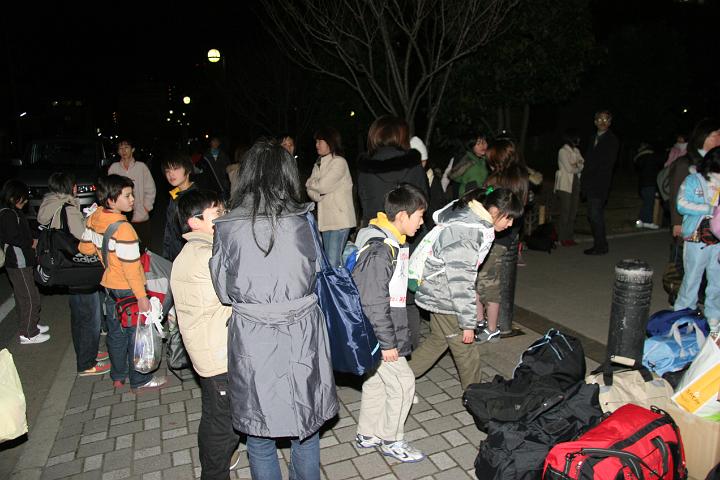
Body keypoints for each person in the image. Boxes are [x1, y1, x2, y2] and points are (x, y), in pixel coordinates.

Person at [209, 139, 338, 479]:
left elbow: (223, 291)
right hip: (302, 333)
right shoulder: (304, 221)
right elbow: (317, 272)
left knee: (258, 432)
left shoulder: (227, 226)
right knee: (305, 427)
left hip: (253, 337)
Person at [408, 187, 523, 390]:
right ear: (495, 211)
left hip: (439, 291)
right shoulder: (468, 233)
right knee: (466, 351)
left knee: (438, 341)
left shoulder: (472, 222)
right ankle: (475, 395)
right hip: (446, 297)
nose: (511, 224)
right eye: (509, 218)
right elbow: (461, 282)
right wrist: (468, 323)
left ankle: (399, 379)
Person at [352, 184, 427, 463]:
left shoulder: (389, 241)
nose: (421, 223)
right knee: (404, 383)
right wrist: (387, 343)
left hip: (376, 330)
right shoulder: (381, 249)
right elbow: (373, 301)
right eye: (419, 216)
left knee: (376, 382)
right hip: (379, 333)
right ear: (403, 216)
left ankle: (368, 434)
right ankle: (391, 440)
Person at [170, 189, 239, 479]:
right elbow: (237, 293)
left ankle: (218, 461)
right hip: (217, 354)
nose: (224, 216)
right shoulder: (206, 255)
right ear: (194, 221)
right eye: (217, 213)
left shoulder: (192, 251)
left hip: (208, 348)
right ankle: (214, 472)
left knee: (216, 415)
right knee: (221, 423)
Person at [79, 175, 167, 392]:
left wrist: (103, 250)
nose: (132, 200)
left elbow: (84, 248)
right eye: (127, 196)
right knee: (136, 335)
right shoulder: (124, 229)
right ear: (111, 200)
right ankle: (140, 380)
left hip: (109, 287)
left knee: (115, 334)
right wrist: (142, 297)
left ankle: (118, 376)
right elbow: (132, 269)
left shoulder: (95, 217)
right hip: (128, 290)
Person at [37, 172, 108, 374]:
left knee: (78, 315)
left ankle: (86, 353)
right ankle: (87, 363)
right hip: (79, 268)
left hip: (65, 268)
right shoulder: (68, 208)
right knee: (90, 317)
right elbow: (83, 237)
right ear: (71, 187)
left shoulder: (48, 205)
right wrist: (91, 219)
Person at [475, 139, 529, 344]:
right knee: (484, 282)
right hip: (507, 236)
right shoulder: (520, 176)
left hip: (496, 236)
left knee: (486, 283)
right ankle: (484, 324)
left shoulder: (499, 180)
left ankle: (489, 327)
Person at [673, 146, 720, 335]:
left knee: (717, 279)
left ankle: (714, 317)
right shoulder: (694, 180)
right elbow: (681, 204)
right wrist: (710, 209)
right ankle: (683, 315)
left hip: (718, 239)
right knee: (692, 277)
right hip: (697, 236)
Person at [0, 180, 48, 344]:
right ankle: (29, 333)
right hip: (17, 261)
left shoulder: (14, 212)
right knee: (29, 297)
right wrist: (31, 243)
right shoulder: (8, 214)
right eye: (23, 197)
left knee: (25, 295)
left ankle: (30, 324)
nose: (26, 200)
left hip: (21, 261)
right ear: (12, 197)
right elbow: (13, 237)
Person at [357, 116, 429, 226]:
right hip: (408, 229)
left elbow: (364, 203)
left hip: (375, 229)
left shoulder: (365, 169)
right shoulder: (413, 166)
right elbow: (423, 200)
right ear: (402, 136)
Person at [305, 127, 356, 267]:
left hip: (339, 221)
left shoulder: (339, 162)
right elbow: (312, 193)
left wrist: (311, 184)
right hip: (326, 221)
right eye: (316, 141)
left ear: (330, 142)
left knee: (333, 263)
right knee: (328, 262)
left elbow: (322, 186)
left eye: (320, 141)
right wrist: (317, 192)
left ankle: (340, 282)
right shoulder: (318, 164)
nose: (317, 145)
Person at [669, 119, 720, 240]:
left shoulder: (714, 160)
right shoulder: (685, 163)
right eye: (717, 135)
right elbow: (675, 192)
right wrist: (677, 222)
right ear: (704, 137)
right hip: (692, 224)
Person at [581, 110, 619, 255]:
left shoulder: (612, 140)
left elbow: (607, 163)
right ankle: (600, 244)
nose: (602, 122)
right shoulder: (592, 138)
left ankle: (601, 246)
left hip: (600, 183)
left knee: (595, 214)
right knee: (592, 215)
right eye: (600, 119)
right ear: (595, 122)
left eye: (605, 120)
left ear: (610, 122)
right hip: (589, 183)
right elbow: (588, 160)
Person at [108, 138, 156, 247]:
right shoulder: (114, 168)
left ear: (133, 149)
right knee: (123, 247)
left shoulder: (141, 167)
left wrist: (146, 207)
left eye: (126, 147)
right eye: (120, 148)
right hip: (120, 216)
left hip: (140, 216)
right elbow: (109, 190)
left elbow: (150, 189)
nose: (123, 151)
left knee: (143, 247)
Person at [162, 151, 197, 261]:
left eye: (176, 169)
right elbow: (169, 229)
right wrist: (166, 256)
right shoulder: (175, 195)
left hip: (190, 259)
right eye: (167, 170)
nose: (171, 174)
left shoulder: (197, 198)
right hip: (174, 256)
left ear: (188, 170)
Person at [554, 130, 584, 246]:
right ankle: (562, 238)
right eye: (576, 138)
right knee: (565, 211)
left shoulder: (576, 150)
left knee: (573, 211)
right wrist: (577, 165)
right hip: (565, 184)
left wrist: (577, 165)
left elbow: (582, 163)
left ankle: (569, 236)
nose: (578, 140)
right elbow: (569, 168)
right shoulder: (562, 151)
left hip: (575, 181)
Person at [447, 133, 490, 197]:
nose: (482, 145)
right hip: (470, 197)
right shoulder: (468, 161)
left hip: (482, 195)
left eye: (484, 142)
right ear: (471, 146)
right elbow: (454, 176)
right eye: (478, 143)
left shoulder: (485, 160)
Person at [633, 142, 663, 229]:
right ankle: (648, 222)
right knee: (649, 203)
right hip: (650, 183)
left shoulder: (639, 158)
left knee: (646, 202)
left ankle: (640, 221)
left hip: (643, 184)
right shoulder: (651, 157)